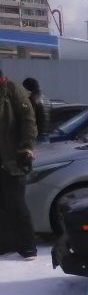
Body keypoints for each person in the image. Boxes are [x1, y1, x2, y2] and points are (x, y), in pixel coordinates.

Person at [0, 69, 39, 259]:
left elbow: (28, 121)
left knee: (16, 204)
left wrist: (27, 147)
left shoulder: (11, 90)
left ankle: (27, 246)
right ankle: (5, 243)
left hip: (12, 160)